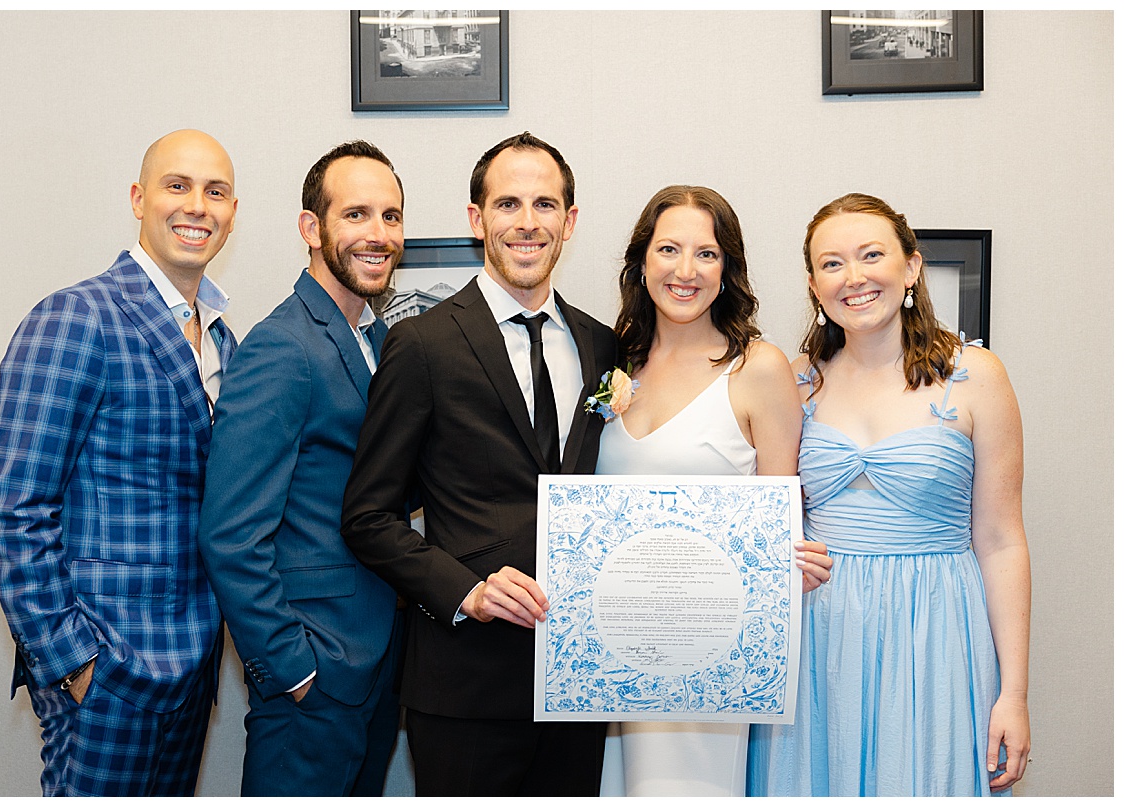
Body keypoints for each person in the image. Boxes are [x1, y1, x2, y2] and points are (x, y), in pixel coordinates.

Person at [340, 132, 616, 796]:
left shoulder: (604, 345)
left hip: (579, 683)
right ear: (476, 219)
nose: (528, 222)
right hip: (465, 686)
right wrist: (466, 590)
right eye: (508, 203)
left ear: (570, 222)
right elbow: (368, 516)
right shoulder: (423, 344)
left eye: (545, 204)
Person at [0, 129, 239, 796]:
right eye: (177, 185)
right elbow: (12, 508)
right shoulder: (75, 316)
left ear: (233, 211)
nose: (197, 206)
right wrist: (74, 662)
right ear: (138, 198)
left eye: (216, 191)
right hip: (106, 670)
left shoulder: (223, 339)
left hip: (191, 665)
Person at [747, 193, 1032, 796]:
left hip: (936, 628)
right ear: (813, 285)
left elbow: (1003, 541)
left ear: (911, 267)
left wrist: (1014, 693)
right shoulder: (792, 382)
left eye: (871, 255)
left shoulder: (978, 375)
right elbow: (762, 520)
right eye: (832, 263)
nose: (853, 277)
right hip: (818, 633)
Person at [593, 186, 833, 797]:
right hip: (605, 655)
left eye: (706, 253)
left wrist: (789, 558)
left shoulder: (758, 367)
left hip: (704, 662)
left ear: (727, 269)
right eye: (668, 249)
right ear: (641, 261)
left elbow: (783, 515)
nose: (685, 270)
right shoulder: (616, 359)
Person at [197, 141, 405, 796]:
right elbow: (230, 532)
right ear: (311, 228)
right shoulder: (282, 347)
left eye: (392, 216)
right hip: (313, 675)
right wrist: (289, 666)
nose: (378, 234)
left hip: (372, 666)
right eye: (357, 214)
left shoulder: (372, 341)